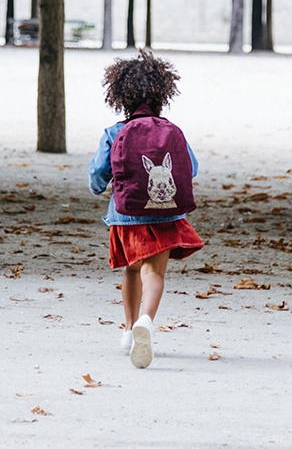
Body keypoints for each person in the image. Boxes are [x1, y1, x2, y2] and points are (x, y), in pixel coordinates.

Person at [89, 49, 203, 369]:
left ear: (120, 96)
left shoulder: (114, 132)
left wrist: (100, 188)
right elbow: (190, 168)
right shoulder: (172, 131)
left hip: (125, 215)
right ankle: (146, 323)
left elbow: (98, 175)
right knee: (155, 273)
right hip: (165, 213)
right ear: (162, 94)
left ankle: (128, 330)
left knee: (131, 268)